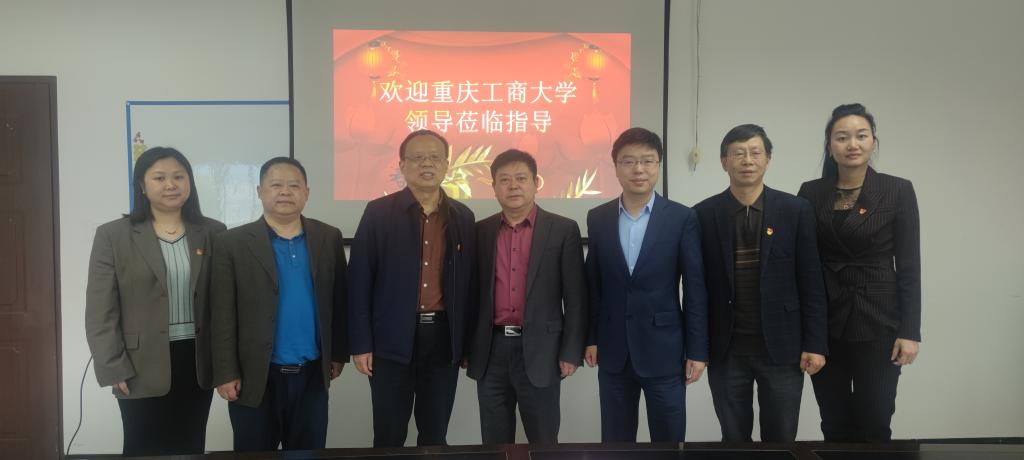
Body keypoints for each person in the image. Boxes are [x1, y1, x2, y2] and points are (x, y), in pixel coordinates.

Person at [85, 147, 226, 455]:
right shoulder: (113, 235)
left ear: (189, 183)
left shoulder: (213, 232)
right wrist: (112, 366)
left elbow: (224, 303)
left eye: (179, 177)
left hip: (197, 359)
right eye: (159, 178)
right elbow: (100, 311)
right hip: (137, 363)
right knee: (142, 447)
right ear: (142, 185)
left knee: (190, 445)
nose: (170, 185)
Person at [693, 124, 828, 442]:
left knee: (781, 438)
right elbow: (698, 290)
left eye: (755, 152)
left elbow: (811, 282)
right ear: (724, 161)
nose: (747, 160)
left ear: (768, 159)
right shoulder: (702, 214)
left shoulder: (795, 210)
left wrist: (815, 344)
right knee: (733, 438)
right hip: (726, 348)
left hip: (782, 347)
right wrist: (697, 347)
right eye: (738, 153)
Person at [798, 103, 921, 442]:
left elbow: (909, 266)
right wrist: (806, 331)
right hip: (826, 321)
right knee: (833, 422)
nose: (852, 144)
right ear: (829, 145)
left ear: (873, 142)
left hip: (879, 321)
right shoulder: (811, 192)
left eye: (861, 136)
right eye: (842, 137)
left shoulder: (897, 190)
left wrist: (910, 330)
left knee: (875, 421)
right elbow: (803, 263)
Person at [348, 129, 476, 447]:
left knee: (435, 435)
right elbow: (359, 280)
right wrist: (361, 343)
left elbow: (469, 286)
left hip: (443, 339)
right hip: (390, 339)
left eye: (434, 157)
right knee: (389, 435)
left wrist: (466, 345)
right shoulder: (378, 213)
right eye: (417, 158)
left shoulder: (462, 216)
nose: (426, 164)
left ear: (446, 165)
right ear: (402, 166)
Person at [210, 157, 348, 451]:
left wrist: (337, 353)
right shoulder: (231, 243)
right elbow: (221, 314)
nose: (285, 192)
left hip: (312, 374)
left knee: (307, 453)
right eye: (276, 185)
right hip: (254, 375)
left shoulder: (328, 237)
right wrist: (225, 371)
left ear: (306, 193)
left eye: (294, 185)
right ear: (259, 191)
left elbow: (338, 300)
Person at [583, 127, 709, 442]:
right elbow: (593, 285)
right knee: (616, 443)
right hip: (614, 350)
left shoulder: (681, 218)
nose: (638, 169)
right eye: (628, 161)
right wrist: (590, 337)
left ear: (658, 165)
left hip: (664, 351)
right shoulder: (598, 218)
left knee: (669, 442)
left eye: (647, 161)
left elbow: (695, 289)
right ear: (616, 168)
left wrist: (697, 350)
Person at [466, 149, 588, 444]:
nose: (513, 186)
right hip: (491, 350)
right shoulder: (480, 231)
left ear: (536, 183)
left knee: (544, 441)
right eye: (504, 180)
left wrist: (571, 351)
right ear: (494, 187)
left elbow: (576, 298)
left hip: (543, 350)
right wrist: (468, 348)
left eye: (521, 178)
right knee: (494, 442)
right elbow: (471, 294)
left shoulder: (562, 229)